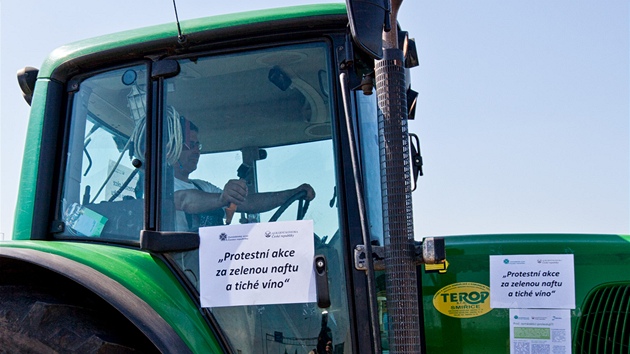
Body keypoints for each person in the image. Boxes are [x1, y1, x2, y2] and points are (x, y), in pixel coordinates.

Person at [172, 119, 315, 231]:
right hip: (177, 265)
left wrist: (292, 194)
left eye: (198, 145)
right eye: (191, 144)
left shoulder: (202, 187)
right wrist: (222, 199)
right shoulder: (160, 188)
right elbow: (185, 200)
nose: (197, 151)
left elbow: (249, 202)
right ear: (173, 146)